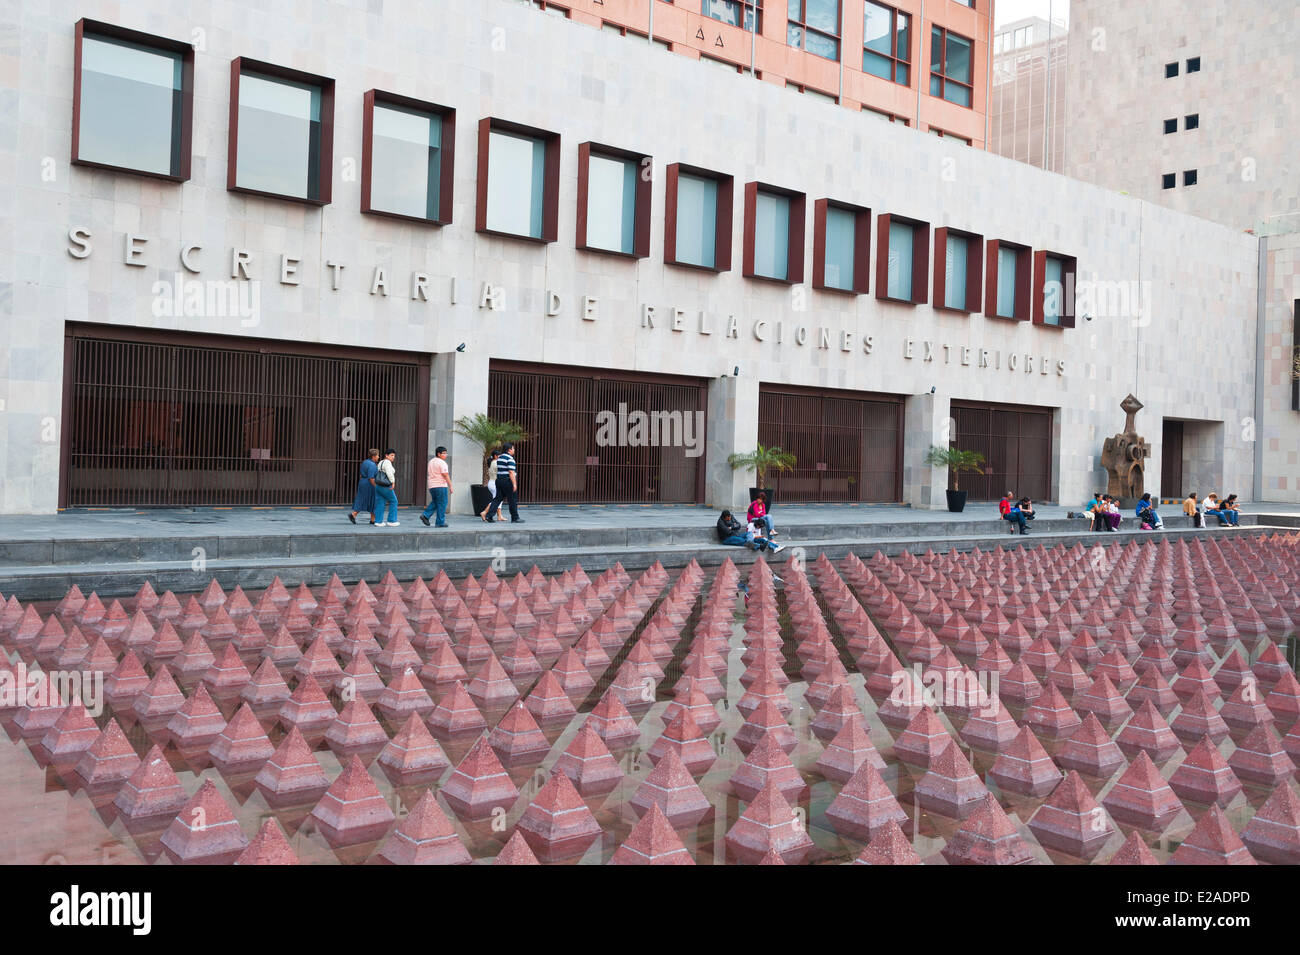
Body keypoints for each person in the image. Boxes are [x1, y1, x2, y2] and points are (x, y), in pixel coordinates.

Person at [485, 442, 523, 523]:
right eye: (513, 448)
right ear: (509, 450)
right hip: (507, 481)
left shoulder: (500, 457)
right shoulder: (510, 458)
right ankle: (515, 518)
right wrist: (514, 484)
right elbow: (511, 472)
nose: (514, 450)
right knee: (512, 500)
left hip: (499, 481)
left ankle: (489, 516)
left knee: (497, 499)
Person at [716, 509, 781, 552]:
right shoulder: (720, 522)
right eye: (728, 518)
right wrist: (734, 526)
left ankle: (775, 547)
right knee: (743, 541)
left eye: (730, 517)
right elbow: (727, 531)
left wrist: (731, 527)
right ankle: (758, 546)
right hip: (727, 538)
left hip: (736, 535)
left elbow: (739, 525)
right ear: (725, 517)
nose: (730, 518)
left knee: (750, 534)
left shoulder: (731, 516)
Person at [420, 446, 451, 528]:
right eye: (444, 453)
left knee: (436, 502)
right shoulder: (442, 463)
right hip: (440, 485)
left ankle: (425, 515)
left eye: (446, 453)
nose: (446, 455)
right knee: (442, 503)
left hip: (432, 486)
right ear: (439, 454)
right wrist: (451, 486)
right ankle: (440, 522)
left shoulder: (431, 461)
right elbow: (445, 475)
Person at [349, 449, 380, 525]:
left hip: (362, 482)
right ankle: (354, 514)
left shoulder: (365, 462)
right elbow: (371, 478)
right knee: (373, 500)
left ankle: (372, 519)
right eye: (377, 455)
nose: (378, 457)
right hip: (369, 484)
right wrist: (376, 486)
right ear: (373, 456)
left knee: (362, 498)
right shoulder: (372, 465)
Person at [374, 448, 400, 526]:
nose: (393, 457)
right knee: (394, 501)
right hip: (386, 486)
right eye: (391, 455)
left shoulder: (380, 462)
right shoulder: (387, 462)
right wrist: (393, 482)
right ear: (386, 455)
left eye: (394, 456)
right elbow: (389, 473)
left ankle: (378, 521)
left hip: (379, 485)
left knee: (381, 503)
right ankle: (391, 521)